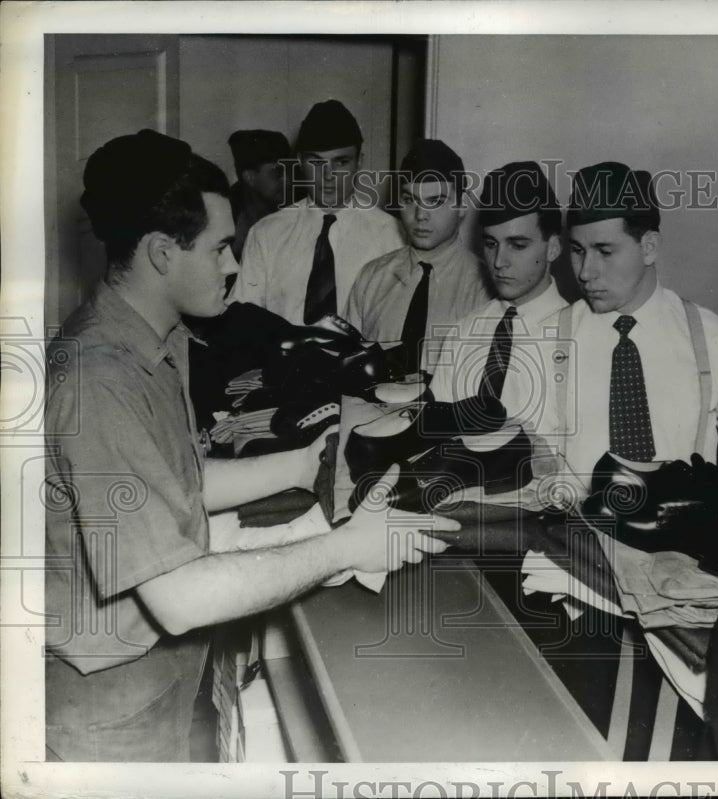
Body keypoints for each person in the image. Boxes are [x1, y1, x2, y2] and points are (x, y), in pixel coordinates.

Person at [44, 129, 454, 762]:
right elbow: (179, 599)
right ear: (160, 253)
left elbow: (180, 478)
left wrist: (298, 462)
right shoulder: (102, 378)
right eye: (220, 249)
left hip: (161, 666)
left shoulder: (155, 336)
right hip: (112, 697)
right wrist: (347, 546)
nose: (234, 267)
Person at [553, 161, 718, 485]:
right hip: (573, 531)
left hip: (684, 534)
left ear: (649, 247)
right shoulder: (547, 340)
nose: (586, 272)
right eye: (577, 251)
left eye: (604, 251)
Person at [227, 100, 403, 325]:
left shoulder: (392, 236)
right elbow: (242, 321)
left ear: (360, 162)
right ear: (299, 162)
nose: (328, 175)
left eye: (341, 162)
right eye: (316, 162)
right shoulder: (266, 234)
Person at [429, 160, 567, 432]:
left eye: (517, 245)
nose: (499, 261)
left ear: (552, 248)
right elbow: (436, 434)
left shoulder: (578, 336)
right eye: (491, 244)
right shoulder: (464, 332)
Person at [344, 139, 491, 374]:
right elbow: (349, 365)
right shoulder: (372, 278)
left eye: (436, 201)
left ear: (462, 205)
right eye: (410, 199)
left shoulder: (484, 289)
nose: (421, 215)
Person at [226, 129, 290, 262]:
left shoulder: (295, 204)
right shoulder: (228, 214)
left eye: (289, 170)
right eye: (277, 173)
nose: (287, 180)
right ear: (250, 177)